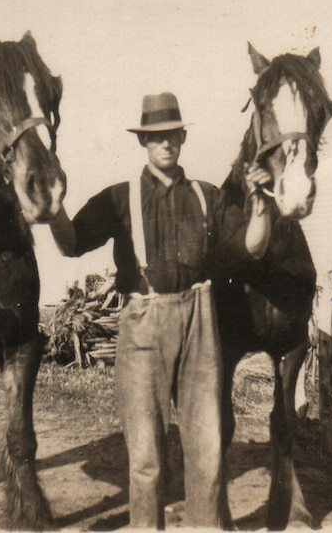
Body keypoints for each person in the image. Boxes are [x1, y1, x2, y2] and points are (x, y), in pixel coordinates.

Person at [49, 91, 272, 528]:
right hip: (143, 320)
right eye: (156, 137)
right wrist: (55, 206)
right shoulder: (119, 198)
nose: (166, 143)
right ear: (142, 143)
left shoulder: (208, 196)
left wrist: (262, 202)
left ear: (182, 138)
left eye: (173, 135)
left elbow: (252, 247)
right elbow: (71, 243)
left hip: (199, 320)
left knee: (206, 444)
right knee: (147, 448)